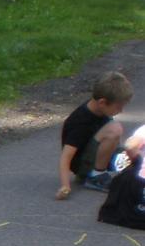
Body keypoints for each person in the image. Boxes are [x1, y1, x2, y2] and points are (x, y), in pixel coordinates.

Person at [56, 71, 132, 200]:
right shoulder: (81, 121)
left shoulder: (100, 108)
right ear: (102, 102)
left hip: (99, 155)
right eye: (118, 107)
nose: (121, 110)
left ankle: (112, 168)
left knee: (137, 151)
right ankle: (96, 176)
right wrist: (65, 186)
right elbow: (66, 156)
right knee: (114, 129)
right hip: (83, 166)